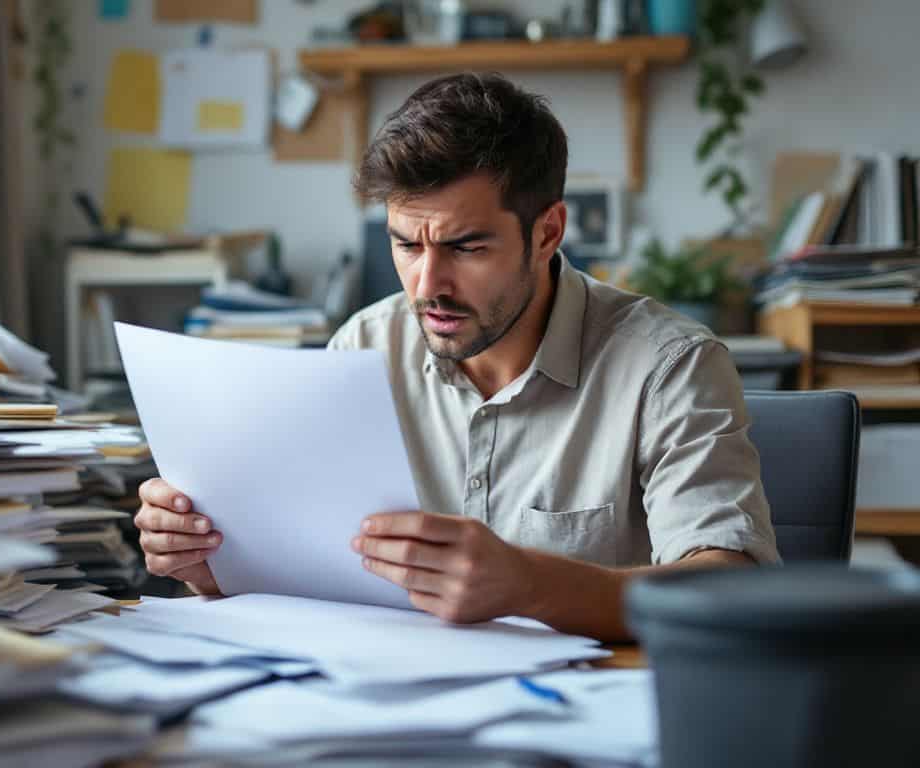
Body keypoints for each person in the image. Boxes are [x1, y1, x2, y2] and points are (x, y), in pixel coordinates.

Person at [134, 73, 778, 641]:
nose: (426, 287)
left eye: (466, 248)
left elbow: (733, 593)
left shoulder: (669, 368)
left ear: (546, 232)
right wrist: (213, 563)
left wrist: (531, 584)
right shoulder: (362, 349)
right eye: (406, 245)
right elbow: (307, 582)